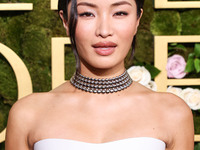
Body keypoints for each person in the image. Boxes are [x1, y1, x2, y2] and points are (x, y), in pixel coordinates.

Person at [5, 0, 194, 150]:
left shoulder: (173, 112)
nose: (104, 31)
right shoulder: (28, 114)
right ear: (65, 21)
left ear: (137, 20)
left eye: (120, 13)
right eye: (87, 13)